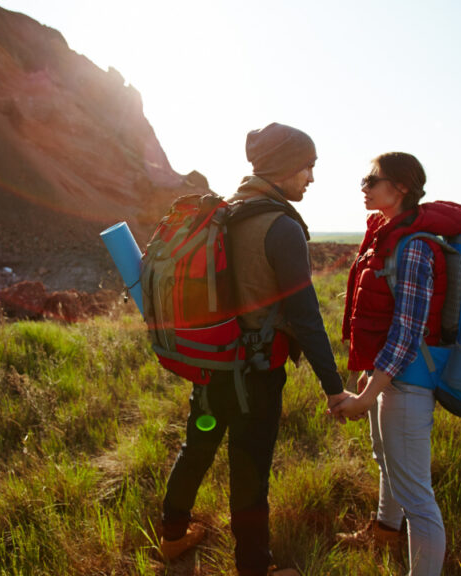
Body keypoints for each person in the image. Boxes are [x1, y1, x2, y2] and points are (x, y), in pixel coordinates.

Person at [159, 123, 353, 576]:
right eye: (308, 166)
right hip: (257, 372)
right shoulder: (280, 226)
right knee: (249, 467)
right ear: (285, 167)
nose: (311, 177)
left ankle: (172, 537)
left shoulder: (224, 212)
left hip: (209, 363)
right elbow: (305, 317)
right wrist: (333, 387)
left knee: (196, 447)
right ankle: (254, 566)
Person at [330, 152, 461, 576]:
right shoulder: (386, 234)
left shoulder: (414, 246)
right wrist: (368, 373)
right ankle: (386, 530)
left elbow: (407, 331)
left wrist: (367, 394)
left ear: (402, 187)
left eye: (372, 180)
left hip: (407, 383)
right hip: (386, 375)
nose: (364, 186)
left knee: (417, 496)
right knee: (385, 460)